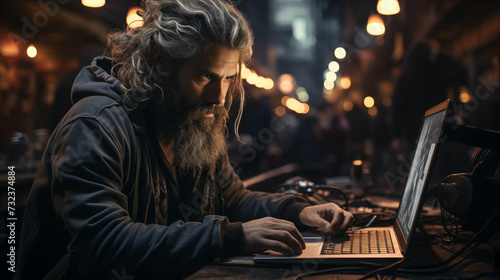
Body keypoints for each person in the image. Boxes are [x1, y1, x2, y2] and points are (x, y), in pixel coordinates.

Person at [15, 1, 353, 279]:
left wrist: (299, 212)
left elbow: (234, 199)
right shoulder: (95, 125)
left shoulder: (192, 122)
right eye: (204, 76)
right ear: (161, 61)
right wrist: (231, 236)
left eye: (227, 79)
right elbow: (103, 244)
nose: (219, 97)